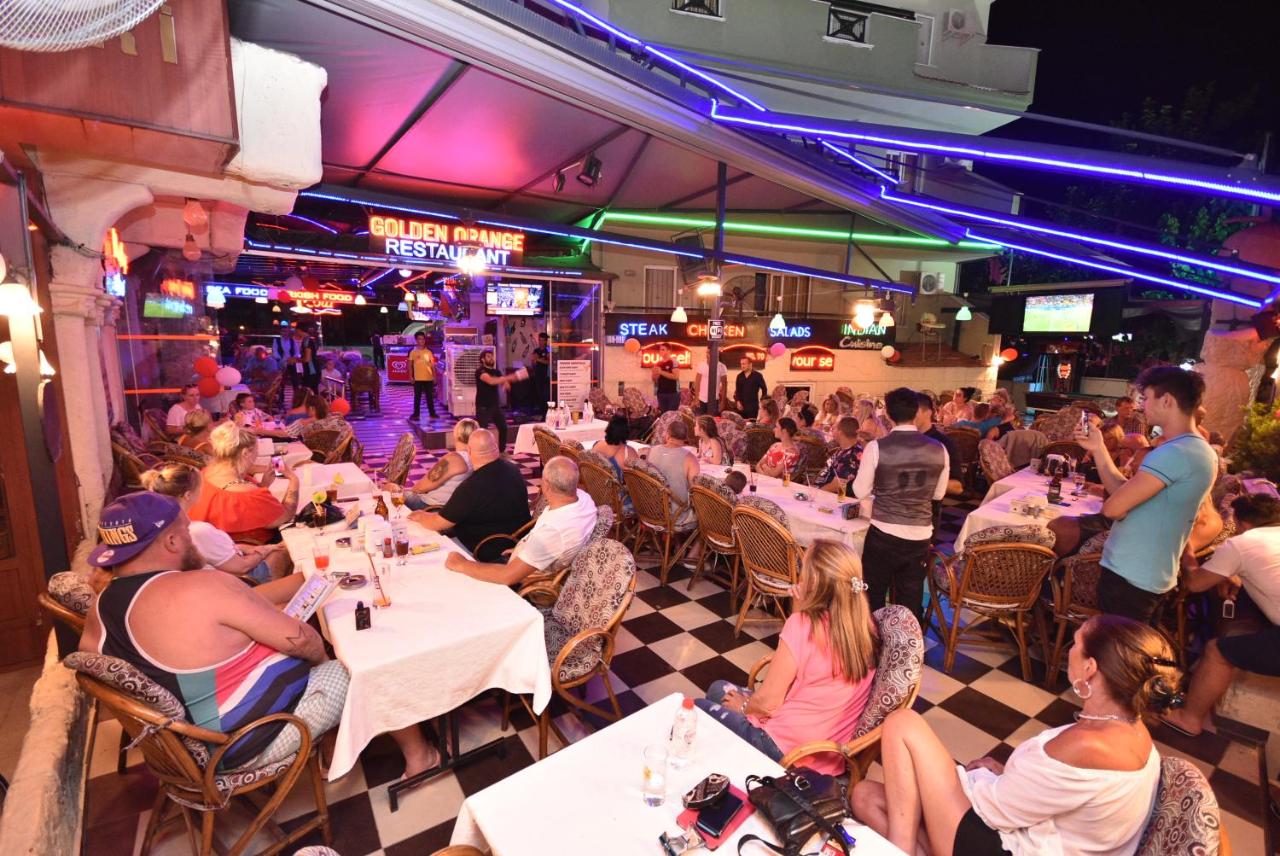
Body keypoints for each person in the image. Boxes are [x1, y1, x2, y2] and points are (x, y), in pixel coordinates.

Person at [80, 492, 439, 779]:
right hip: (243, 739)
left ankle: (332, 747)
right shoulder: (198, 587)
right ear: (172, 541)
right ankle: (421, 756)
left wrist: (308, 581)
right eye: (188, 532)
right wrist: (321, 661)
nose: (192, 539)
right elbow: (302, 639)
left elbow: (234, 608)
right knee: (367, 662)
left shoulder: (101, 606)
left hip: (184, 745)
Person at [852, 615, 1177, 856]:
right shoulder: (1131, 729)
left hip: (1002, 844)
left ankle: (897, 849)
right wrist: (1004, 774)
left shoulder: (1088, 743)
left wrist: (966, 779)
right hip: (1029, 830)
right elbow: (1067, 791)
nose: (1069, 649)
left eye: (1075, 643)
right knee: (865, 796)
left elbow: (993, 812)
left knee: (902, 723)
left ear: (1090, 668)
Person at [696, 540, 878, 772]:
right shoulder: (865, 626)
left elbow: (767, 704)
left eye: (804, 568)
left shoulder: (803, 625)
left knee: (696, 707)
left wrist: (743, 707)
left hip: (785, 751)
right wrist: (800, 612)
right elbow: (807, 668)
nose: (799, 575)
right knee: (718, 689)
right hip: (828, 752)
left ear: (813, 581)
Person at [1073, 366, 1216, 622]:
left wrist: (1121, 506)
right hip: (1148, 573)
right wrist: (1098, 448)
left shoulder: (1175, 453)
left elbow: (1112, 508)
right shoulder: (1196, 449)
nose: (1142, 406)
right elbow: (1123, 492)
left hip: (1133, 575)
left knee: (1119, 646)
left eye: (1146, 398)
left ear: (1167, 400)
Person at [1161, 494, 1280, 736]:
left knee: (1217, 652)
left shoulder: (1243, 542)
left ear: (1243, 523)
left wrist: (1188, 552)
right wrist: (1233, 574)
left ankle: (1189, 719)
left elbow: (1195, 583)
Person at [851, 387, 948, 625]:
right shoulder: (939, 449)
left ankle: (872, 639)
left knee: (872, 591)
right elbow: (938, 494)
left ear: (888, 415)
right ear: (915, 413)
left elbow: (860, 491)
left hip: (884, 531)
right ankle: (906, 640)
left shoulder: (877, 447)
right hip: (920, 534)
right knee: (910, 595)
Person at [444, 456, 596, 586]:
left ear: (547, 486)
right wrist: (524, 549)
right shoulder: (584, 499)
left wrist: (462, 564)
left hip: (526, 583)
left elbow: (506, 577)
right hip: (530, 560)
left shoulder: (552, 531)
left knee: (454, 579)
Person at [140, 464, 290, 583]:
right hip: (238, 584)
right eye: (200, 487)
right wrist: (263, 551)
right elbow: (242, 567)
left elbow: (214, 550)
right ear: (188, 495)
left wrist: (253, 549)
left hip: (217, 574)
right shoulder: (197, 530)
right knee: (288, 548)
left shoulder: (162, 522)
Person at [409, 429, 530, 561]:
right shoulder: (512, 469)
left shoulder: (472, 486)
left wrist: (420, 516)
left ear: (469, 451)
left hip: (486, 548)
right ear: (495, 447)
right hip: (518, 540)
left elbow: (439, 523)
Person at [189, 422, 298, 543]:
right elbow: (285, 515)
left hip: (209, 544)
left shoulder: (204, 473)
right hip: (251, 546)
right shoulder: (247, 493)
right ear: (245, 453)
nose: (256, 455)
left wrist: (263, 485)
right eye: (256, 451)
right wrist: (294, 479)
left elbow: (242, 509)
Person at [396, 418, 478, 510]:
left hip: (432, 506)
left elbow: (420, 488)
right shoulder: (476, 458)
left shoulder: (454, 458)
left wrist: (406, 491)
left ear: (456, 434)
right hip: (451, 506)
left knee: (391, 490)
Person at [646, 418, 699, 529]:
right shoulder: (690, 459)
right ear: (685, 438)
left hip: (649, 509)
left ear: (667, 434)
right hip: (676, 516)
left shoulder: (651, 451)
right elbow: (695, 492)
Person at [916, 392, 964, 498]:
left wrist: (919, 481)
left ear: (928, 413)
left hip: (928, 503)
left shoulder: (943, 443)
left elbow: (957, 487)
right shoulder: (902, 439)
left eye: (913, 412)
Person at [592, 414, 638, 514]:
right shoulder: (629, 452)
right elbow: (636, 482)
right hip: (617, 503)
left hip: (597, 496)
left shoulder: (597, 445)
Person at [474, 349, 518, 450]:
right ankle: (481, 451)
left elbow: (505, 384)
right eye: (488, 356)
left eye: (492, 356)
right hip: (483, 406)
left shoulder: (496, 371)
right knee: (482, 431)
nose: (491, 358)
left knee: (503, 427)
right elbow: (490, 381)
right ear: (483, 359)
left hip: (495, 405)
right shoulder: (480, 371)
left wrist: (506, 384)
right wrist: (508, 378)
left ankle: (502, 450)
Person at [816, 416, 863, 494]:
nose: (832, 431)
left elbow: (838, 484)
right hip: (821, 489)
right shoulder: (844, 448)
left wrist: (816, 492)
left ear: (840, 432)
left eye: (834, 428)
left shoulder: (853, 455)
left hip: (831, 496)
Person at [408, 331, 438, 421]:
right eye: (419, 339)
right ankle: (416, 414)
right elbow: (409, 365)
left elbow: (433, 365)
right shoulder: (412, 352)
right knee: (417, 397)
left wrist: (434, 376)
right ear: (416, 340)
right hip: (417, 379)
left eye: (423, 339)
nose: (421, 341)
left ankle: (432, 413)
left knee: (429, 397)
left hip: (428, 378)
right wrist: (411, 376)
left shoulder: (429, 352)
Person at [652, 343, 682, 413]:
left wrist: (661, 372)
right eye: (660, 350)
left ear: (669, 351)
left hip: (673, 393)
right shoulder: (657, 363)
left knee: (672, 415)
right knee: (663, 415)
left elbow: (676, 376)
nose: (660, 351)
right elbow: (654, 380)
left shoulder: (674, 362)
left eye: (663, 349)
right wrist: (655, 374)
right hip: (661, 393)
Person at [531, 332, 551, 415]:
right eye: (539, 340)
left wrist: (538, 359)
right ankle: (541, 412)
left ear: (546, 341)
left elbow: (549, 362)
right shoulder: (536, 350)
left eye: (543, 340)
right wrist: (537, 360)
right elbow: (533, 361)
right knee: (539, 394)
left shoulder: (548, 349)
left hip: (546, 376)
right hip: (537, 375)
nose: (541, 342)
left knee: (546, 395)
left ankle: (547, 412)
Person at [298, 323, 321, 392]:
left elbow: (307, 359)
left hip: (311, 370)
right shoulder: (306, 340)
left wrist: (295, 360)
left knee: (310, 392)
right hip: (311, 369)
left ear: (300, 330)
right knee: (312, 391)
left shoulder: (307, 341)